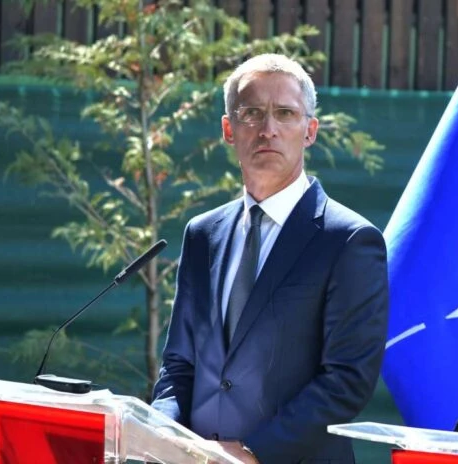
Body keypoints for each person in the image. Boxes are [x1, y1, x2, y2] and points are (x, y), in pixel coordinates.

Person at [151, 53, 389, 464]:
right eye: (252, 113)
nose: (268, 129)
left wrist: (253, 452)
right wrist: (160, 433)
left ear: (310, 131)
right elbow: (179, 364)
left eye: (285, 113)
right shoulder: (203, 234)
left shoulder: (349, 240)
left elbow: (347, 380)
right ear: (229, 129)